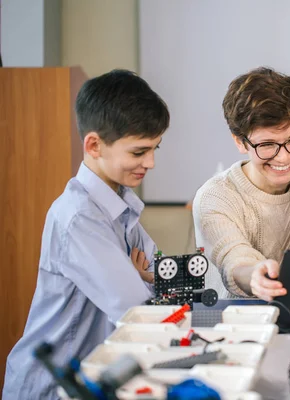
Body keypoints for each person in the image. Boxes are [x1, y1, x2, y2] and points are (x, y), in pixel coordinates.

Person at [3, 69, 169, 399]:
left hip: (89, 378)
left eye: (155, 149)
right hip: (51, 386)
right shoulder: (79, 218)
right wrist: (142, 280)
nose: (150, 162)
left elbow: (164, 276)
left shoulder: (122, 206)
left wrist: (145, 278)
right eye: (139, 152)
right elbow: (138, 309)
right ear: (94, 145)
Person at [193, 67, 290, 301]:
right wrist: (254, 275)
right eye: (267, 145)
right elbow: (234, 257)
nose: (284, 158)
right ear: (239, 141)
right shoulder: (215, 197)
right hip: (237, 325)